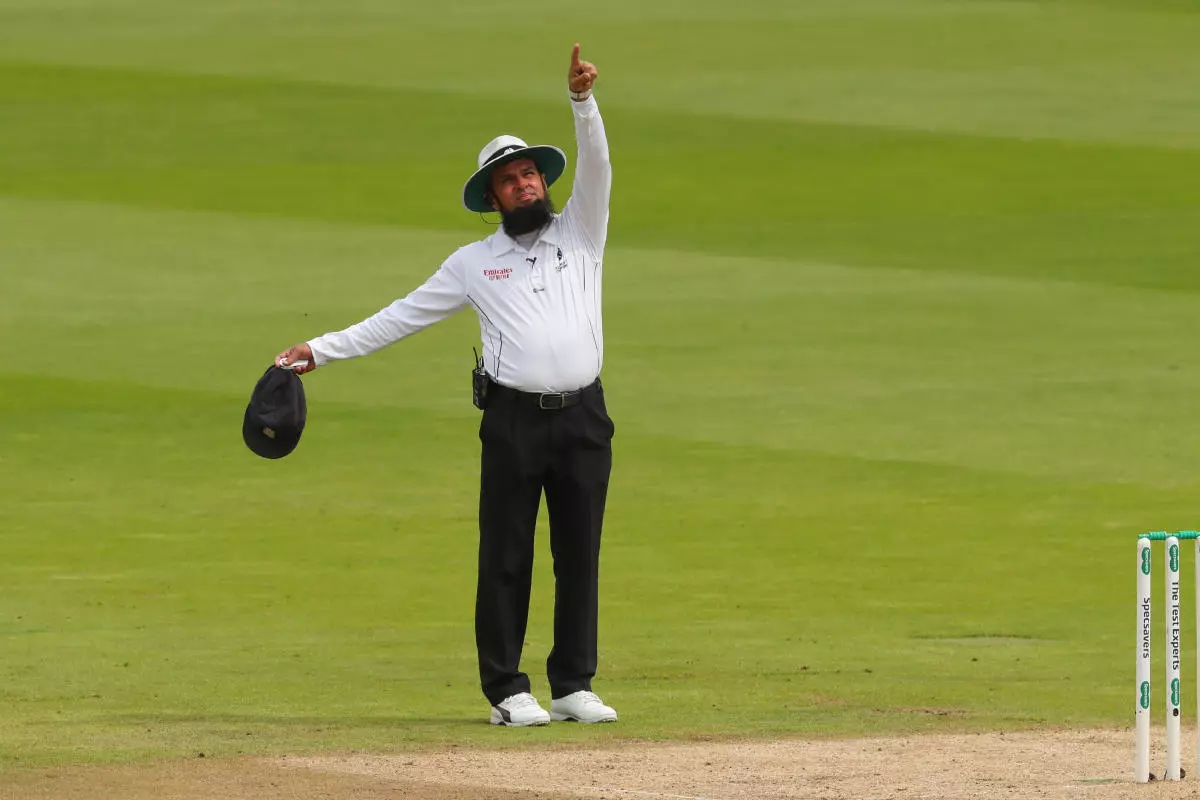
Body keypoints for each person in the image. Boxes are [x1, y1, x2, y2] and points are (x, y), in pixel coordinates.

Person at [275, 44, 617, 727]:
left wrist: (584, 103)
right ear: (490, 198)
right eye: (510, 181)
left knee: (578, 553)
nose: (525, 186)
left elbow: (600, 169)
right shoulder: (472, 264)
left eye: (530, 175)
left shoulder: (581, 232)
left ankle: (574, 683)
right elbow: (398, 318)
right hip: (515, 422)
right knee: (507, 555)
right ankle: (507, 690)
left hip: (584, 417)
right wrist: (322, 349)